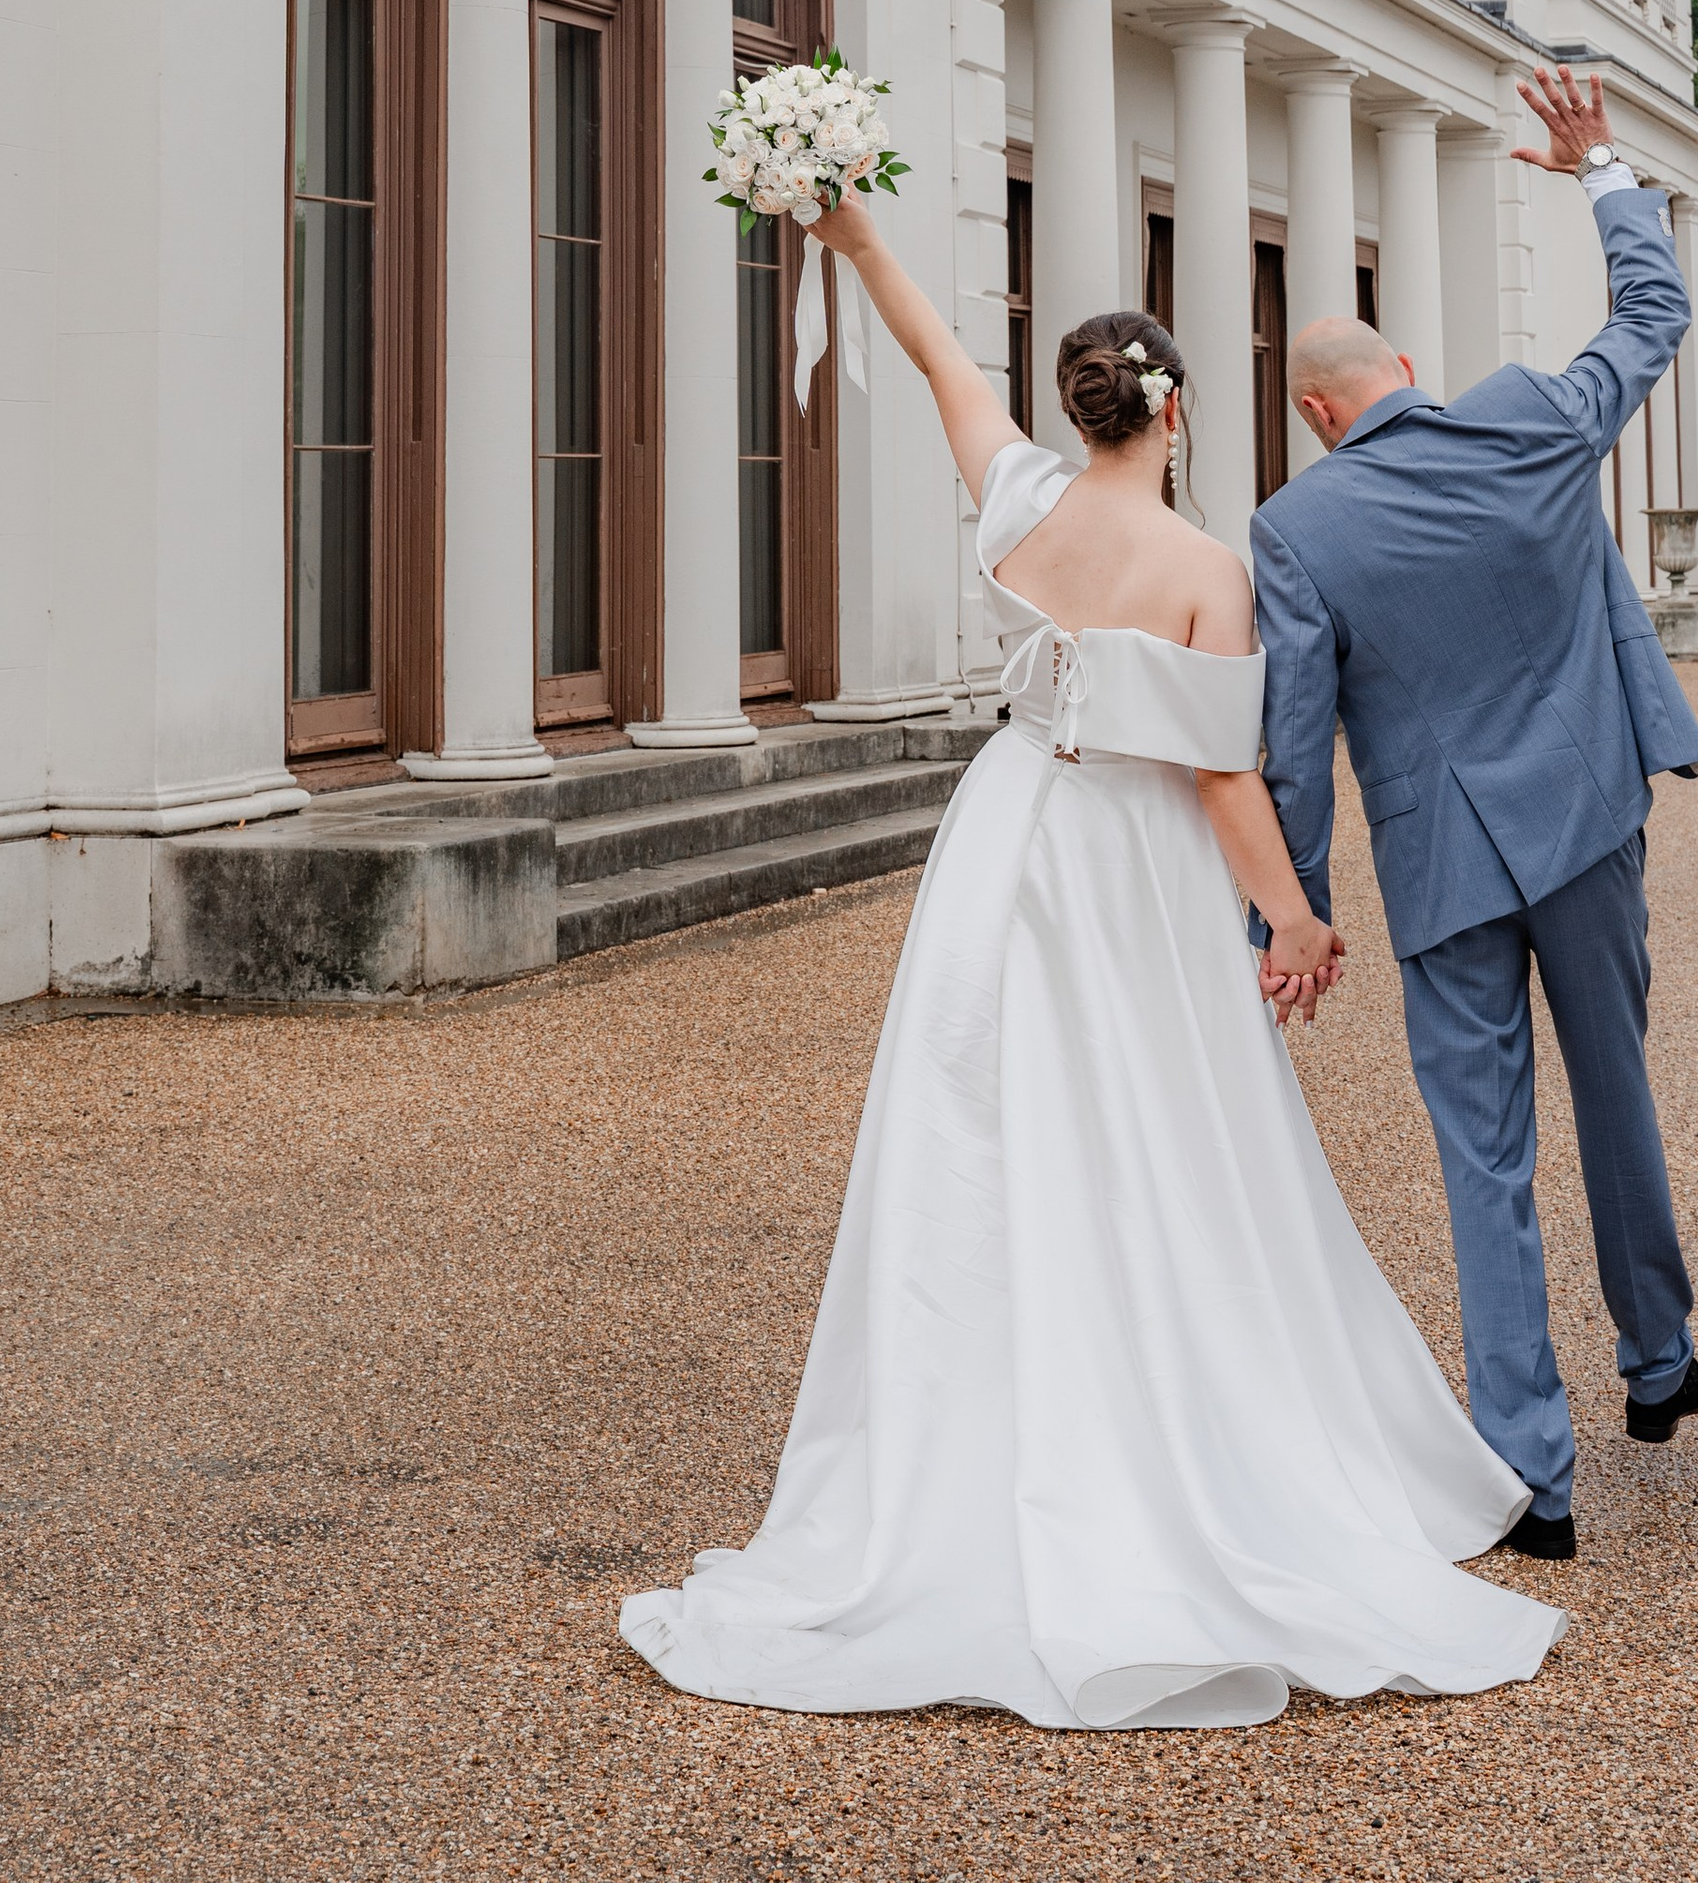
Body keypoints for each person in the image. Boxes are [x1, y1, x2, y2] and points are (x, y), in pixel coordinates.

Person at [619, 198, 1565, 1732]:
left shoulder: (1019, 506)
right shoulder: (1206, 564)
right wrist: (1302, 925)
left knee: (982, 1125)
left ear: (1080, 407)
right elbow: (1219, 778)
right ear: (1173, 405)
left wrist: (855, 240)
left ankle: (961, 1436)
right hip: (1132, 865)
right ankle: (1163, 1436)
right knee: (1166, 1132)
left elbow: (939, 363)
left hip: (1009, 838)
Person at [1249, 62, 1698, 1562]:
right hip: (1585, 823)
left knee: (1484, 1165)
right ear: (1399, 372)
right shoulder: (1525, 420)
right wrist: (1596, 174)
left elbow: (1295, 744)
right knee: (1618, 1092)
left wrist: (1296, 915)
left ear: (1319, 412)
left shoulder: (1294, 527)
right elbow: (1652, 319)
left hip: (1443, 870)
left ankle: (1536, 1476)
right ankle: (1658, 1363)